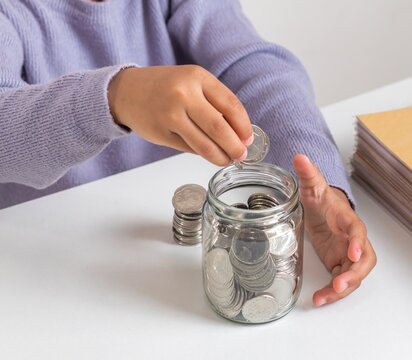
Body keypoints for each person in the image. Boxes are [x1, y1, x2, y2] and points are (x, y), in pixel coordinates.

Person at [0, 0, 376, 306]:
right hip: (48, 273)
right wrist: (115, 97)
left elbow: (254, 66)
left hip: (161, 258)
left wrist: (321, 184)